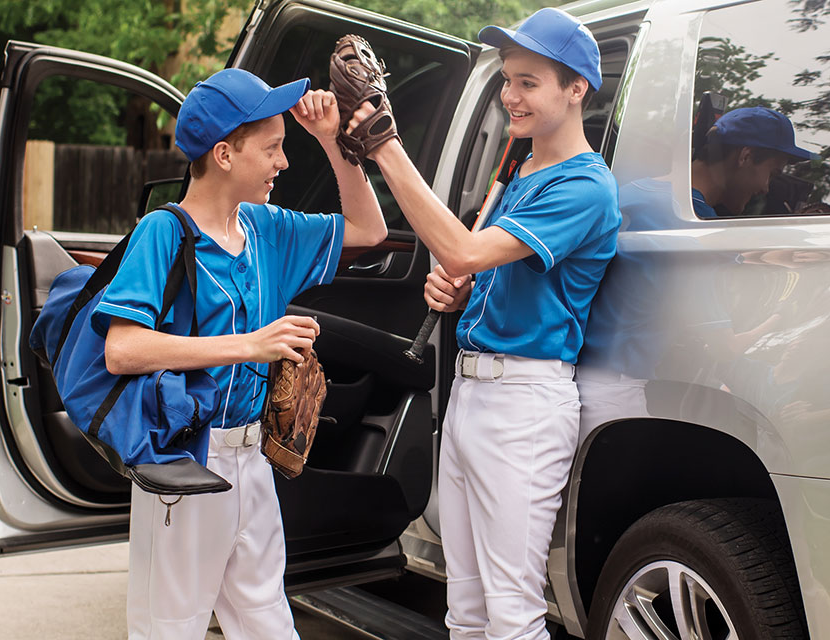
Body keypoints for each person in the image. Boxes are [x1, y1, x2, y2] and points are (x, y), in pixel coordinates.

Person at [347, 8, 619, 638]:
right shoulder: (520, 171)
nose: (509, 95)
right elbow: (471, 266)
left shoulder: (584, 187)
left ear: (576, 88)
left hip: (524, 406)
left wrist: (385, 146)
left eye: (528, 82)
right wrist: (456, 287)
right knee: (464, 611)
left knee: (513, 613)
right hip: (471, 395)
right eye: (507, 79)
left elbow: (466, 249)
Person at [95, 68, 386, 640]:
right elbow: (121, 349)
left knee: (268, 623)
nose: (283, 163)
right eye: (273, 149)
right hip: (186, 464)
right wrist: (251, 344)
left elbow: (369, 229)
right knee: (168, 629)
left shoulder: (264, 227)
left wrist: (332, 139)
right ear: (224, 154)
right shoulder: (163, 232)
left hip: (253, 460)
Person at [689, 106, 816, 217]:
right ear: (746, 156)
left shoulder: (678, 204)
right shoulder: (697, 219)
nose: (765, 189)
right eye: (771, 174)